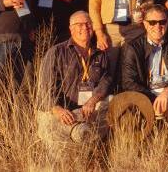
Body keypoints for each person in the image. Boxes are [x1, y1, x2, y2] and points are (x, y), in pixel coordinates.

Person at [36, 11, 112, 152]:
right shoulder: (56, 52)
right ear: (71, 29)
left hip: (87, 111)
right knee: (57, 139)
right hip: (63, 112)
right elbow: (45, 88)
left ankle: (93, 148)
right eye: (79, 24)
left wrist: (93, 100)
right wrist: (57, 110)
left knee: (111, 102)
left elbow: (106, 80)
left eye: (88, 24)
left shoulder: (100, 53)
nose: (85, 27)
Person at [117, 4, 168, 123]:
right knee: (127, 116)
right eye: (152, 22)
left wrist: (167, 91)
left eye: (162, 22)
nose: (158, 26)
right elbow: (128, 82)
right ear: (145, 24)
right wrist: (155, 99)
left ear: (167, 22)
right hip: (145, 95)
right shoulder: (132, 47)